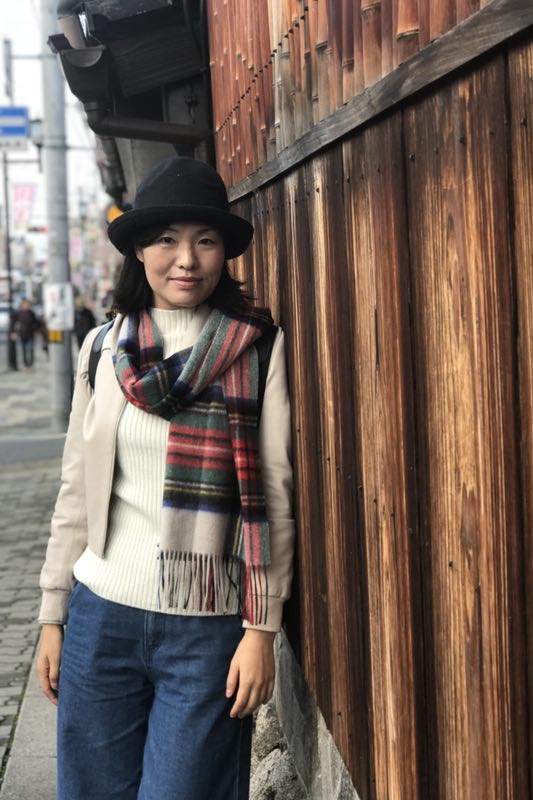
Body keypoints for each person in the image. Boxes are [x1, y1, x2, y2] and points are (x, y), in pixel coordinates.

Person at [36, 157, 295, 800]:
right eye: (166, 240)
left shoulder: (256, 349)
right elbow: (77, 487)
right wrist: (52, 615)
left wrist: (261, 630)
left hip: (206, 627)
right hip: (101, 617)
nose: (186, 260)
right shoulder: (103, 349)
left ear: (223, 253)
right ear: (138, 251)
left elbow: (273, 494)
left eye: (205, 241)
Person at [13, 298, 39, 368]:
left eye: (27, 304)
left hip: (30, 334)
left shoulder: (31, 313)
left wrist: (35, 331)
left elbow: (36, 323)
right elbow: (16, 324)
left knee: (30, 349)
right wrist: (14, 333)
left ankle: (30, 364)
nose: (27, 305)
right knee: (24, 350)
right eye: (25, 304)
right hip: (22, 334)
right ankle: (26, 364)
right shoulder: (19, 313)